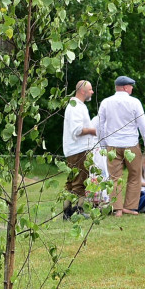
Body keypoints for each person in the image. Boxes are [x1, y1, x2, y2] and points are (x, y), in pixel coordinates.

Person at [97, 76, 145, 217]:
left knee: (114, 177)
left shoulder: (106, 102)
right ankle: (131, 207)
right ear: (125, 87)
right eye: (131, 86)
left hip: (112, 145)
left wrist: (103, 143)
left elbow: (100, 125)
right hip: (131, 145)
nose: (132, 88)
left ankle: (117, 209)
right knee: (134, 176)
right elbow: (143, 125)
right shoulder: (134, 102)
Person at [62, 80, 97, 219]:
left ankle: (66, 212)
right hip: (79, 150)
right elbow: (77, 130)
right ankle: (78, 211)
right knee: (80, 182)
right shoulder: (76, 106)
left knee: (71, 183)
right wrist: (93, 131)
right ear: (82, 91)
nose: (92, 92)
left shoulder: (76, 105)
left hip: (73, 149)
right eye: (90, 89)